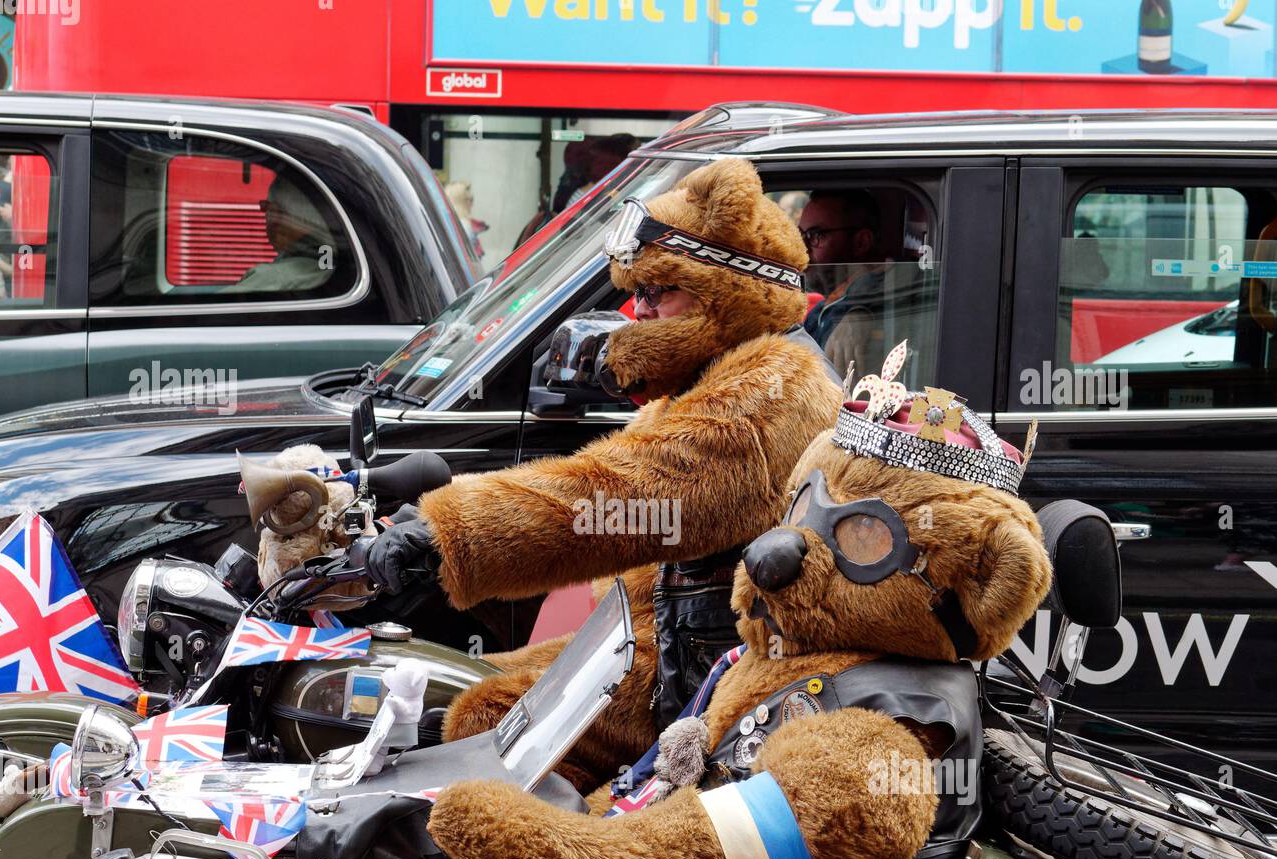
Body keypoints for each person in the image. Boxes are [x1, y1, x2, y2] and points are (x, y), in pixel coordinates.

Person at [365, 158, 841, 796]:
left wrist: (449, 532)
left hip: (698, 682)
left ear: (727, 291)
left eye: (659, 293)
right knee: (451, 681)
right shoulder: (718, 375)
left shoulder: (772, 389)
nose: (637, 312)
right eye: (635, 292)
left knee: (481, 719)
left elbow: (620, 492)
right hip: (652, 643)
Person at [800, 189, 887, 378]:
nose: (802, 249)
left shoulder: (882, 302)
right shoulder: (827, 306)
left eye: (816, 235)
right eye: (801, 235)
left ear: (861, 242)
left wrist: (860, 312)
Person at [225, 176, 334, 294]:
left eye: (266, 207)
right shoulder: (329, 267)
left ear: (277, 216)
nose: (266, 216)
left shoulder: (270, 278)